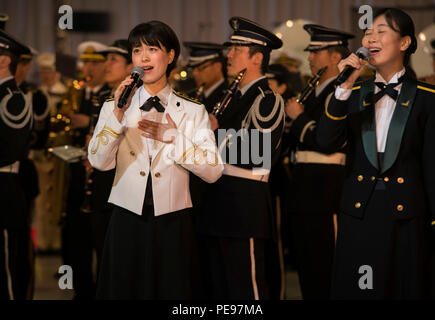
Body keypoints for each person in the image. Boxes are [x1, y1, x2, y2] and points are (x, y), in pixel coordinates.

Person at [88, 20, 223, 299]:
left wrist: (174, 137)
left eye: (152, 49)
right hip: (126, 217)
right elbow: (99, 162)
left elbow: (213, 171)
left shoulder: (192, 110)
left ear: (171, 55)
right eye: (137, 51)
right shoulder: (114, 106)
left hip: (173, 221)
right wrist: (117, 115)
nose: (144, 57)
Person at [317, 8, 435, 299]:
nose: (371, 38)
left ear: (404, 43)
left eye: (381, 32)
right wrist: (343, 86)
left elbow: (432, 169)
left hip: (406, 216)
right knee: (361, 291)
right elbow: (325, 142)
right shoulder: (353, 94)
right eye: (368, 33)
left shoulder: (426, 99)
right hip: (360, 213)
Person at [199, 17, 285, 300]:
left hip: (244, 204)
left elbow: (257, 152)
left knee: (246, 288)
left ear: (257, 57)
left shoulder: (267, 98)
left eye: (237, 49)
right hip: (218, 201)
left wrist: (211, 133)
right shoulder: (231, 95)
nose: (230, 55)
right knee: (220, 286)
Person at [284, 24, 353, 300]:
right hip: (303, 188)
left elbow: (328, 141)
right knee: (307, 266)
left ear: (336, 57)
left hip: (327, 191)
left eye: (316, 52)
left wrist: (298, 117)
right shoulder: (312, 91)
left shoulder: (343, 91)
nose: (310, 58)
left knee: (328, 266)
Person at [61, 41, 111, 300]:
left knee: (99, 240)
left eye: (95, 63)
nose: (88, 68)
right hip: (77, 172)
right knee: (76, 239)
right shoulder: (77, 91)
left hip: (100, 175)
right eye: (86, 62)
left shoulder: (109, 95)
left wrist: (87, 122)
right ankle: (81, 290)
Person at [90, 39, 133, 275]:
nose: (106, 65)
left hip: (119, 188)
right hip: (100, 184)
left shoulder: (135, 100)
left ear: (130, 67)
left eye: (113, 60)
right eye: (106, 60)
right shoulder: (104, 98)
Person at [0, 29, 33, 300]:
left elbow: (11, 149)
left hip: (4, 188)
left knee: (7, 268)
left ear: (3, 61)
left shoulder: (13, 98)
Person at [183, 42, 227, 112]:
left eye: (200, 68)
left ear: (217, 66)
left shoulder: (227, 97)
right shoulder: (191, 96)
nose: (195, 73)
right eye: (193, 69)